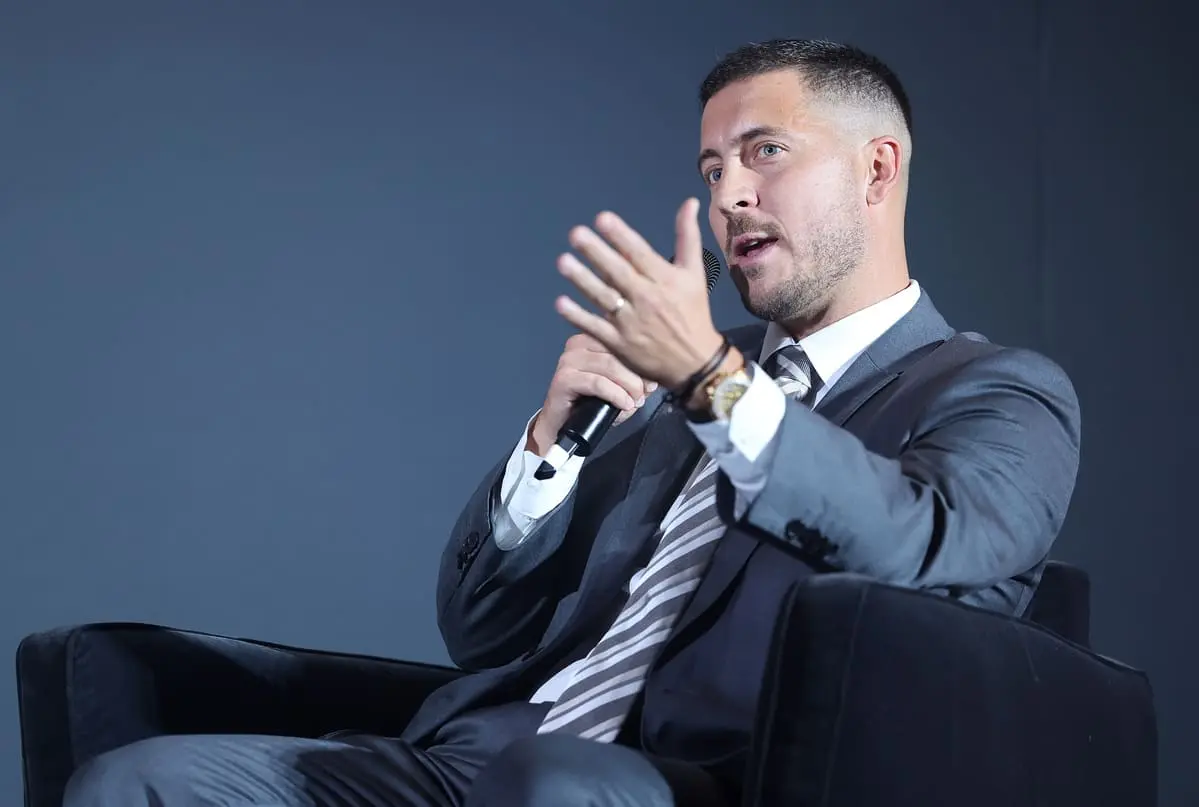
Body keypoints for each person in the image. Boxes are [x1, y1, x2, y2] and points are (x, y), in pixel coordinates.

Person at [63, 38, 1081, 807]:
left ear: (875, 169)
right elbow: (480, 630)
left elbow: (930, 548)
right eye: (711, 170)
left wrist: (713, 381)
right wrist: (547, 452)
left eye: (763, 152)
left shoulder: (994, 392)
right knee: (140, 781)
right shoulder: (680, 380)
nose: (730, 194)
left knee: (552, 784)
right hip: (487, 755)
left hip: (693, 780)